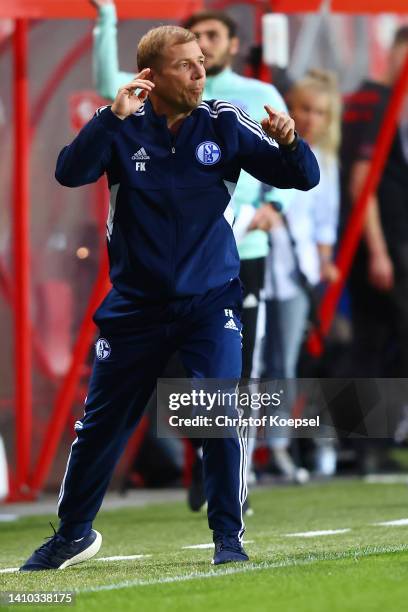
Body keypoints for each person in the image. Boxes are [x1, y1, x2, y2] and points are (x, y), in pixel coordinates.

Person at [19, 26, 319, 571]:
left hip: (209, 302)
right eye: (186, 65)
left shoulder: (225, 122)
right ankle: (72, 535)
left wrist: (292, 142)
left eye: (202, 62)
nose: (200, 73)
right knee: (99, 429)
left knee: (221, 412)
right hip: (135, 308)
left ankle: (228, 538)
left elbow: (303, 178)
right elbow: (68, 171)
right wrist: (110, 117)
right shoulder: (121, 127)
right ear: (152, 77)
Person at [89, 1, 288, 510]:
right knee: (178, 369)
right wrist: (106, 18)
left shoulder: (255, 95)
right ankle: (207, 451)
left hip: (246, 249)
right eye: (194, 44)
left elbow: (279, 154)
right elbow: (105, 83)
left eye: (211, 39)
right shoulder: (159, 99)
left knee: (237, 371)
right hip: (175, 260)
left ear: (231, 44)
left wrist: (274, 207)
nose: (203, 55)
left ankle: (230, 481)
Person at [262, 69, 341, 479]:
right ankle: (238, 449)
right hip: (256, 261)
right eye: (303, 108)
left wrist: (324, 265)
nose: (309, 117)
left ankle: (278, 446)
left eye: (318, 112)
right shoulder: (262, 145)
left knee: (284, 361)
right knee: (249, 362)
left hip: (297, 273)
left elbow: (325, 223)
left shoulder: (324, 161)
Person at [341, 26, 408, 381]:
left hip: (372, 238)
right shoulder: (378, 103)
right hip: (384, 240)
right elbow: (361, 182)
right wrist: (379, 250)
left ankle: (363, 434)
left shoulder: (364, 99)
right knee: (378, 338)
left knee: (372, 338)